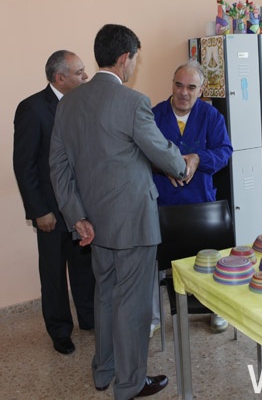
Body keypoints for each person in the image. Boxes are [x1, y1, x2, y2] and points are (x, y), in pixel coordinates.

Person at [50, 24, 199, 400]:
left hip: (93, 223)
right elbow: (161, 152)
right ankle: (130, 383)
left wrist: (76, 216)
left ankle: (104, 370)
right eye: (134, 58)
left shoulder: (68, 103)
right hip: (133, 221)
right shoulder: (132, 102)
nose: (133, 65)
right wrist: (183, 164)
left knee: (105, 296)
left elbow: (59, 167)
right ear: (124, 58)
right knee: (132, 304)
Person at [12, 50, 95, 356]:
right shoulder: (32, 108)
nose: (85, 76)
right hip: (51, 210)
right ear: (60, 78)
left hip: (82, 206)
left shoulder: (83, 104)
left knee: (84, 268)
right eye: (79, 72)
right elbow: (24, 165)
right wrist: (39, 211)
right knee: (54, 274)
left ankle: (89, 318)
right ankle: (60, 331)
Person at [150, 61, 233, 335]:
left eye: (191, 87)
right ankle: (154, 317)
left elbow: (225, 151)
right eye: (179, 85)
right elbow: (140, 154)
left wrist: (198, 158)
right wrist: (162, 166)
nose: (184, 92)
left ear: (200, 90)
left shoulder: (211, 116)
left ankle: (217, 309)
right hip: (164, 206)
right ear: (172, 85)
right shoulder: (154, 116)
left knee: (210, 262)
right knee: (156, 263)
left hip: (201, 205)